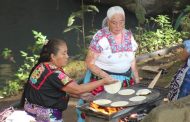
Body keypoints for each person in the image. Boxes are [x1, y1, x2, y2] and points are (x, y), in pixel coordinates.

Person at [20, 39, 116, 122]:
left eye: (67, 52)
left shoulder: (43, 66)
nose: (67, 56)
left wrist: (79, 95)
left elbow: (52, 90)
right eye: (64, 53)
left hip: (32, 111)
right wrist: (103, 81)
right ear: (53, 56)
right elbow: (77, 88)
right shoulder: (54, 73)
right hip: (45, 116)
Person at [77, 6, 140, 122]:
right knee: (103, 113)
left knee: (123, 112)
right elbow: (89, 63)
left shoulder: (128, 35)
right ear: (108, 22)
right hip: (102, 82)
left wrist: (137, 80)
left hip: (125, 81)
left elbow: (132, 60)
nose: (118, 26)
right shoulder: (100, 37)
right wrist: (106, 78)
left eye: (121, 22)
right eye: (114, 23)